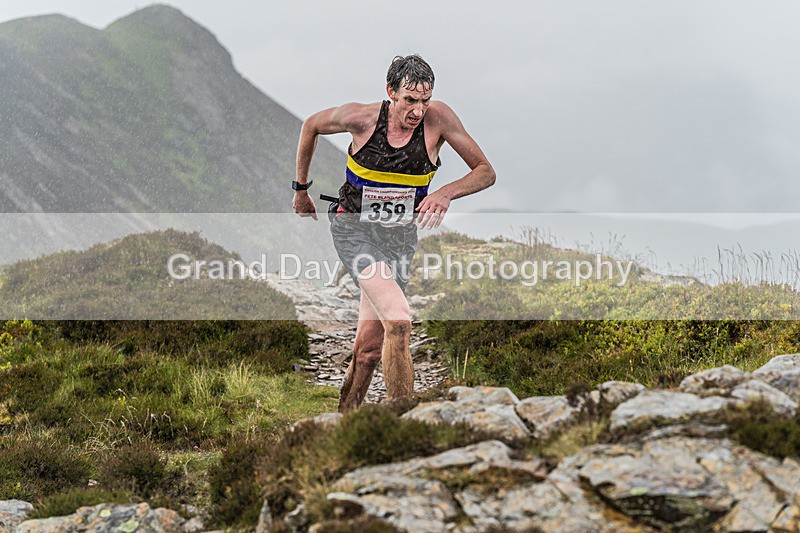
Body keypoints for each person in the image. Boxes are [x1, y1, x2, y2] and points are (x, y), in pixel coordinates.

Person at [292, 54, 495, 412]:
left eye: (425, 100)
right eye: (410, 101)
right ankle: (403, 422)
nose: (418, 110)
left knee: (369, 350)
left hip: (399, 240)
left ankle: (344, 419)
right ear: (391, 93)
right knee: (399, 321)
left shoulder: (438, 121)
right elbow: (310, 125)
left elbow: (484, 171)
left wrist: (444, 193)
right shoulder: (361, 118)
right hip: (354, 231)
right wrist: (301, 189)